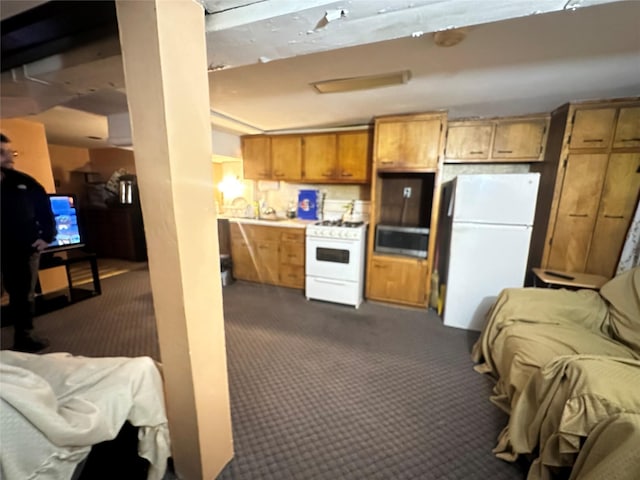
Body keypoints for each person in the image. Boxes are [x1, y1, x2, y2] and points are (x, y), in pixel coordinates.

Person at [1, 132, 57, 352]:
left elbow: (45, 209)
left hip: (24, 250)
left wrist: (47, 237)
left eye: (10, 152)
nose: (9, 158)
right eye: (1, 153)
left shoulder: (25, 182)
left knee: (23, 296)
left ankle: (24, 338)